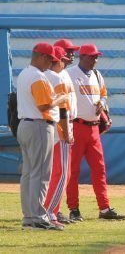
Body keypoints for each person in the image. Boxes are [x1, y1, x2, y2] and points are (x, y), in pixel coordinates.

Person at [67, 44, 125, 221]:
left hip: (93, 127)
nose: (95, 60)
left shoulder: (97, 75)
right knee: (73, 170)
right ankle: (74, 209)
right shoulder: (70, 74)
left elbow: (103, 94)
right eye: (92, 56)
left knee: (99, 169)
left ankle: (104, 207)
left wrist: (102, 103)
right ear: (82, 56)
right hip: (76, 125)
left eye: (96, 56)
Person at [18, 43, 67, 230]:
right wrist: (60, 99)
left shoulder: (24, 73)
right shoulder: (38, 76)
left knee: (29, 173)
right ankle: (37, 216)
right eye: (49, 59)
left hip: (26, 124)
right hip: (39, 124)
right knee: (40, 173)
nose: (50, 63)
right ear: (41, 56)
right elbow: (44, 105)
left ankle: (29, 216)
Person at [43, 46, 76, 229]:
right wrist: (67, 131)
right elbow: (63, 108)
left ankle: (41, 211)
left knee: (45, 174)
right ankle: (50, 211)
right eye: (62, 59)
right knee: (62, 173)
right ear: (56, 60)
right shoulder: (56, 77)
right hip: (59, 127)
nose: (64, 62)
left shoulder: (41, 75)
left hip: (44, 127)